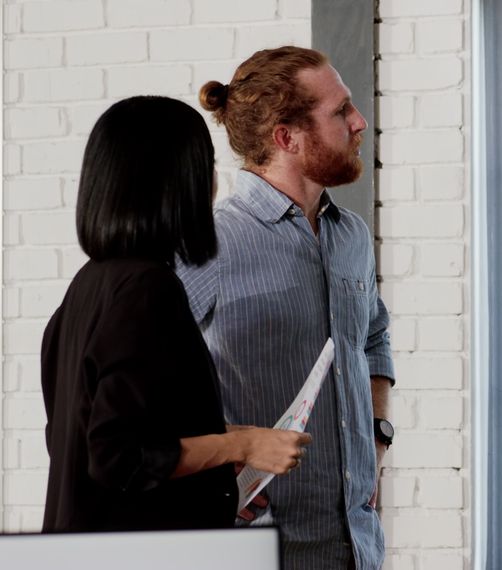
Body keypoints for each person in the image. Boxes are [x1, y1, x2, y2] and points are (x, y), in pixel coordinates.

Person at [40, 96, 311, 532]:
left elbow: (110, 434)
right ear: (176, 185)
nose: (215, 184)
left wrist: (233, 444)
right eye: (205, 167)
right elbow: (116, 458)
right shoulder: (148, 290)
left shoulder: (88, 286)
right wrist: (243, 444)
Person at [178, 47, 395, 570]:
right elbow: (147, 382)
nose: (359, 121)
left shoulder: (352, 236)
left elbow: (372, 337)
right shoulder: (208, 242)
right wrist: (221, 462)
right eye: (340, 111)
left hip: (357, 544)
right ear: (286, 137)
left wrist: (379, 436)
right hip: (260, 547)